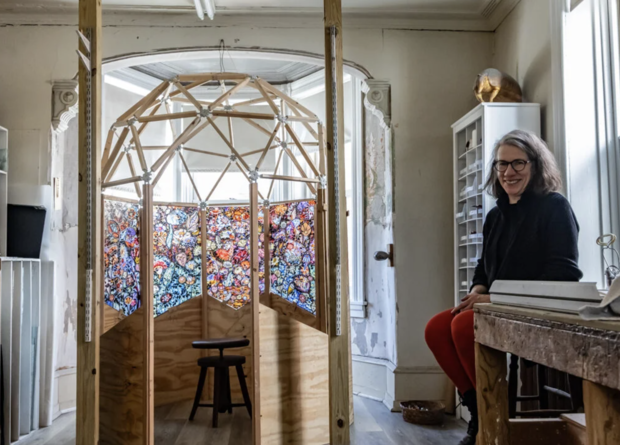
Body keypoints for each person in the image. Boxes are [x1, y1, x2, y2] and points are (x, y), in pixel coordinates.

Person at [425, 130, 582, 445]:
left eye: (518, 163)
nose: (509, 172)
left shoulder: (555, 206)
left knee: (461, 326)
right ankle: (479, 412)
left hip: (537, 310)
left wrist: (495, 296)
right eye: (501, 165)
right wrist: (480, 288)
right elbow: (484, 265)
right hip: (499, 305)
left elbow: (564, 273)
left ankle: (492, 415)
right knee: (436, 328)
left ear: (535, 165)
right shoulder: (495, 214)